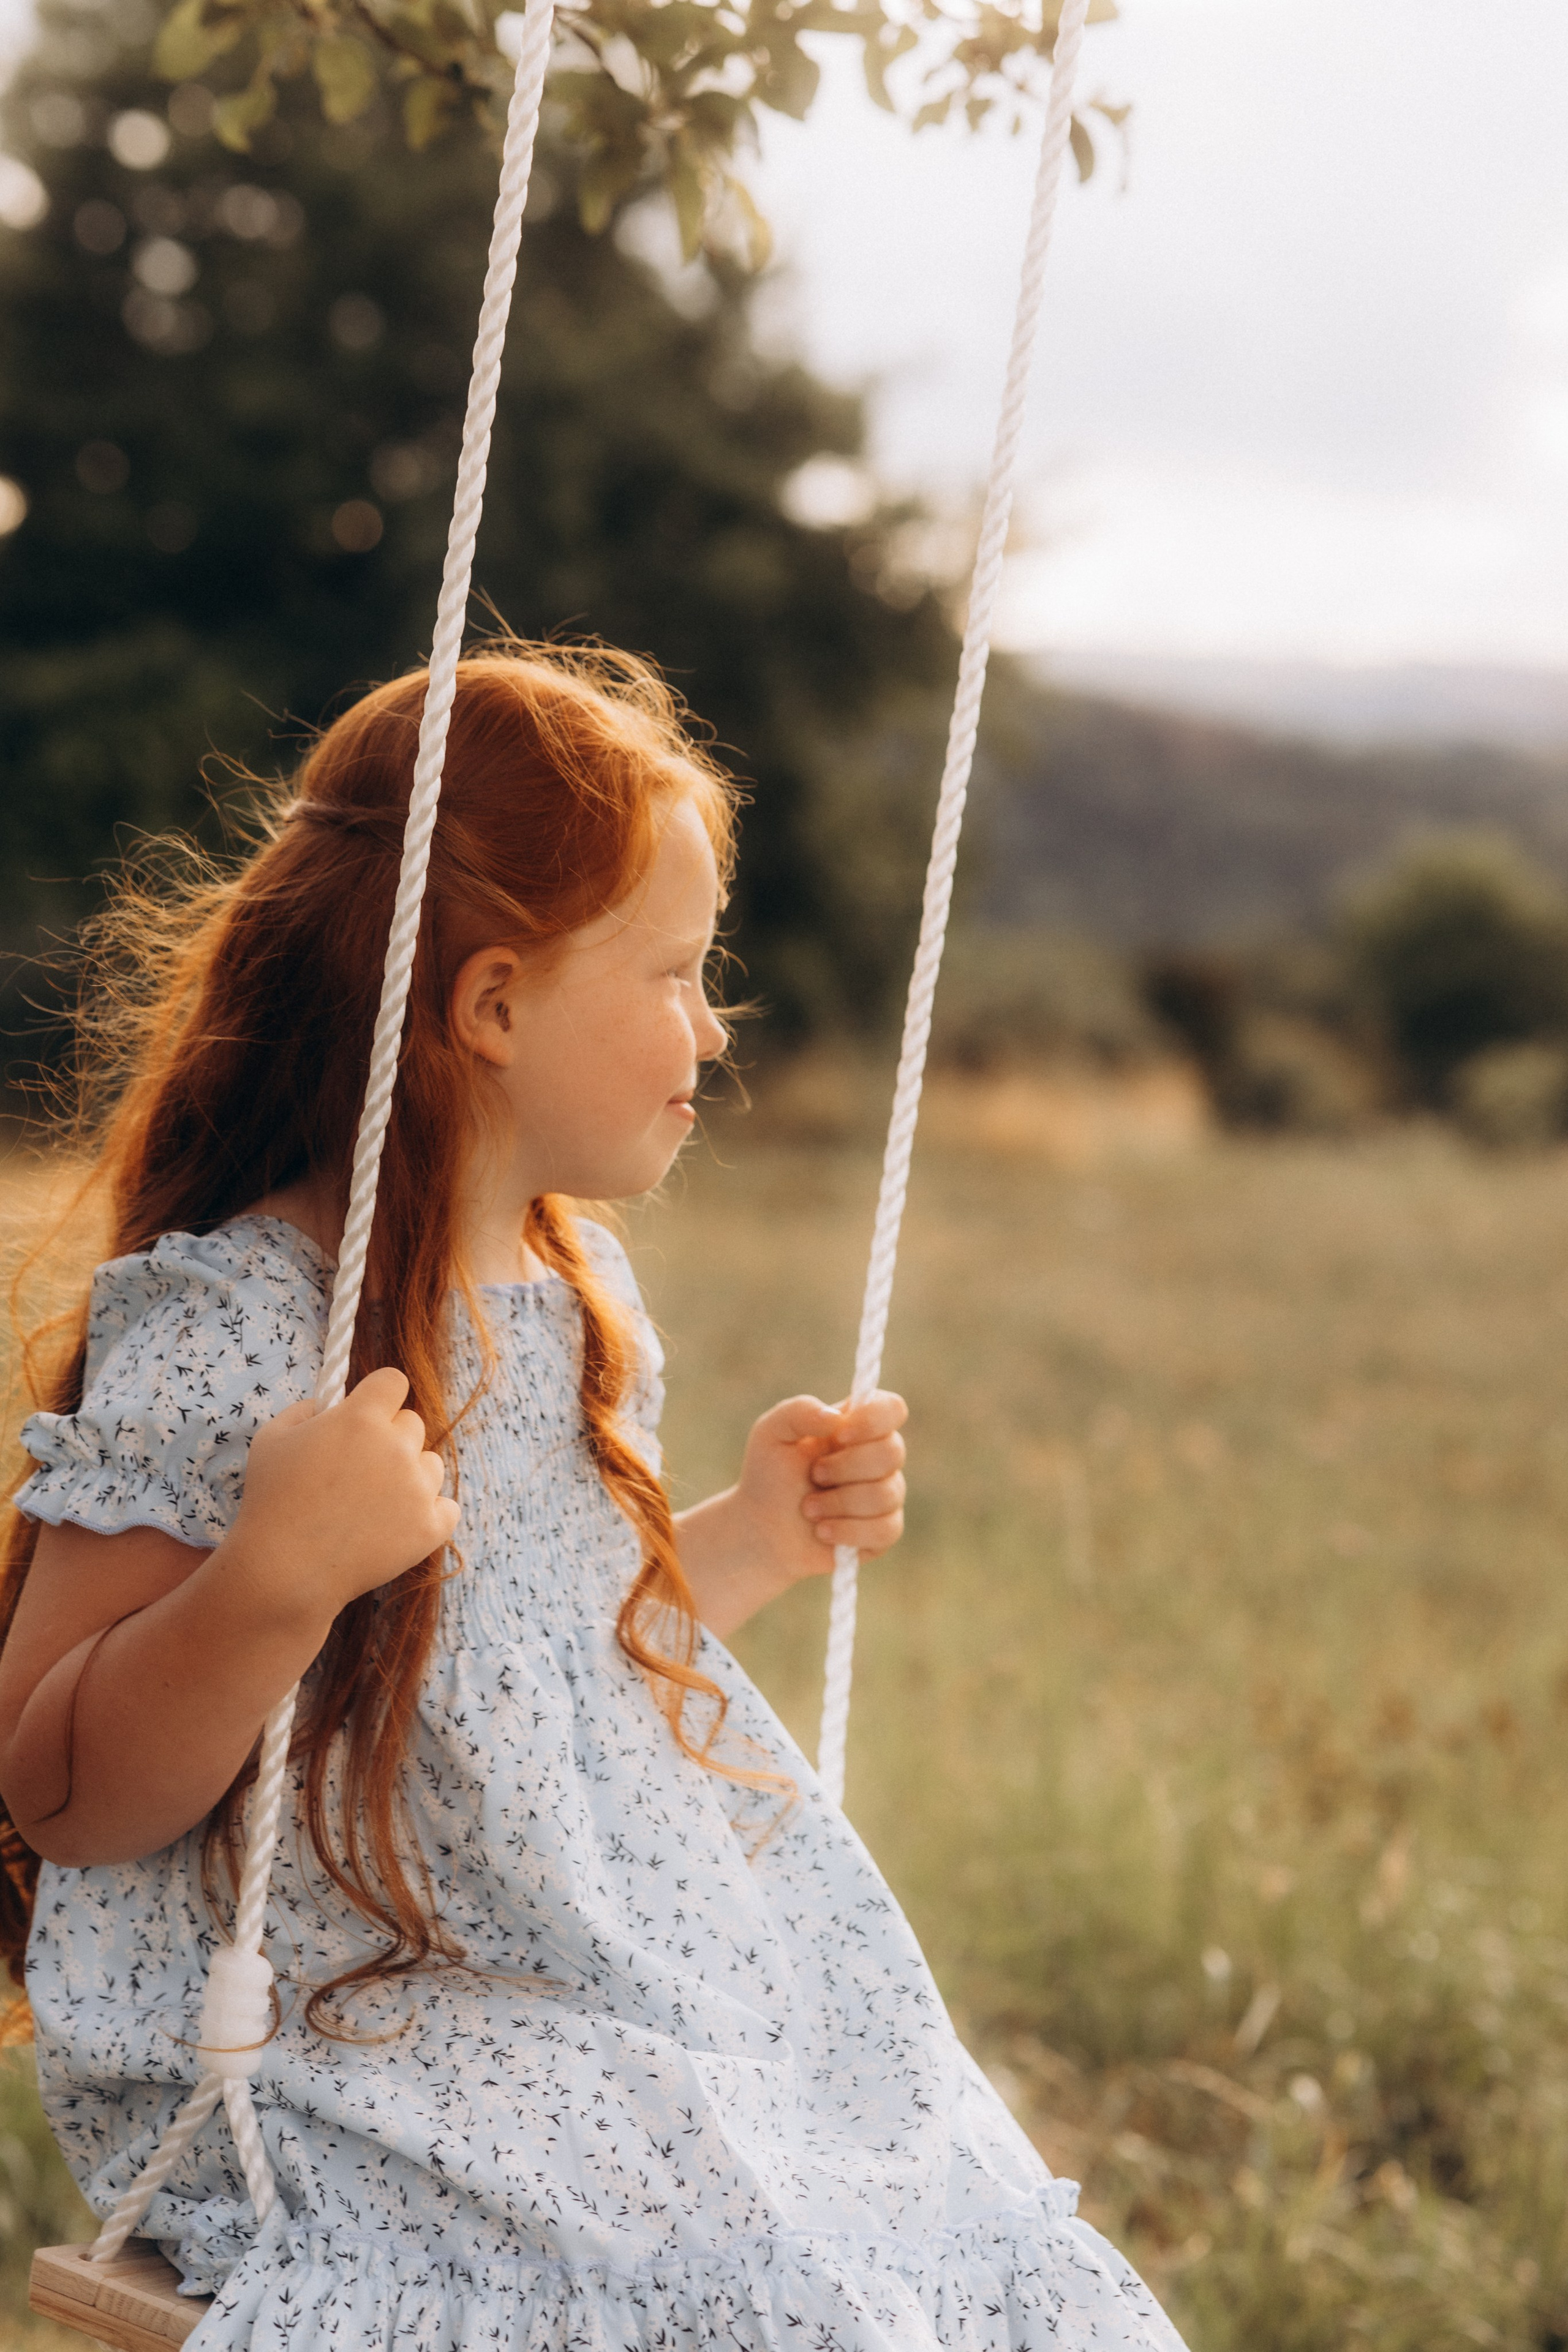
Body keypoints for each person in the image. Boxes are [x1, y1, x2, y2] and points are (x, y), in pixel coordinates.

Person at [0, 644, 1185, 2350]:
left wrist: (755, 1538)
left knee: (913, 2185)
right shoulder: (241, 1329)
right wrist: (269, 1580)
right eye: (680, 973)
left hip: (587, 1984)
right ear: (488, 1007)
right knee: (754, 2261)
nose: (717, 1024)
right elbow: (60, 1791)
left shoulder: (581, 1297)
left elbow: (548, 1666)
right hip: (340, 2033)